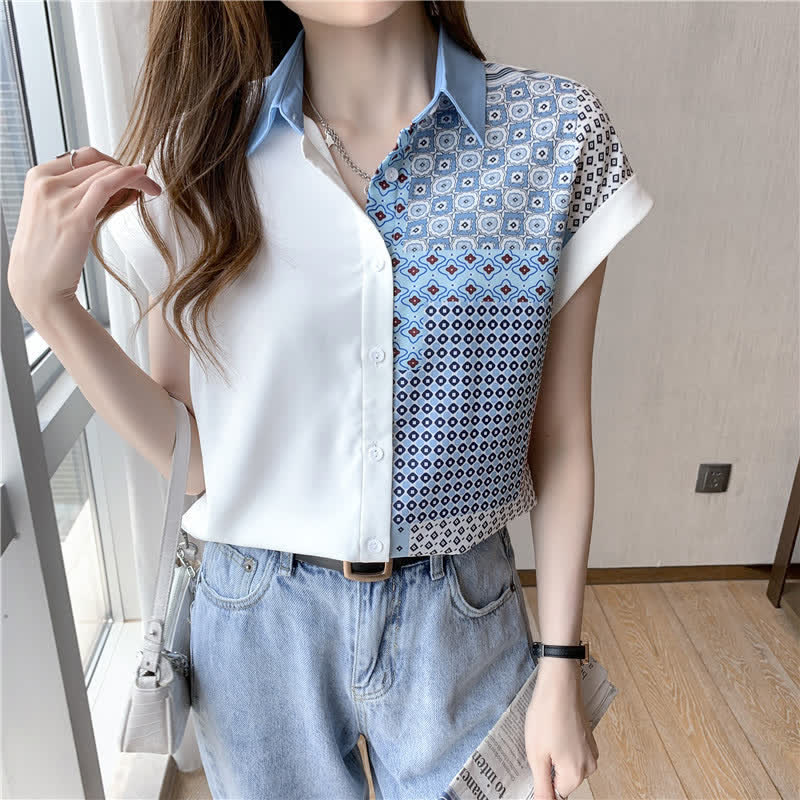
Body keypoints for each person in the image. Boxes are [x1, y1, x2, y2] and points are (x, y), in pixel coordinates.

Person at [8, 1, 654, 798]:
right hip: (257, 627)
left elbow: (559, 440)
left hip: (461, 619)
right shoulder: (200, 156)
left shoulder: (555, 136)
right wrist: (50, 308)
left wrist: (560, 663)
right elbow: (195, 459)